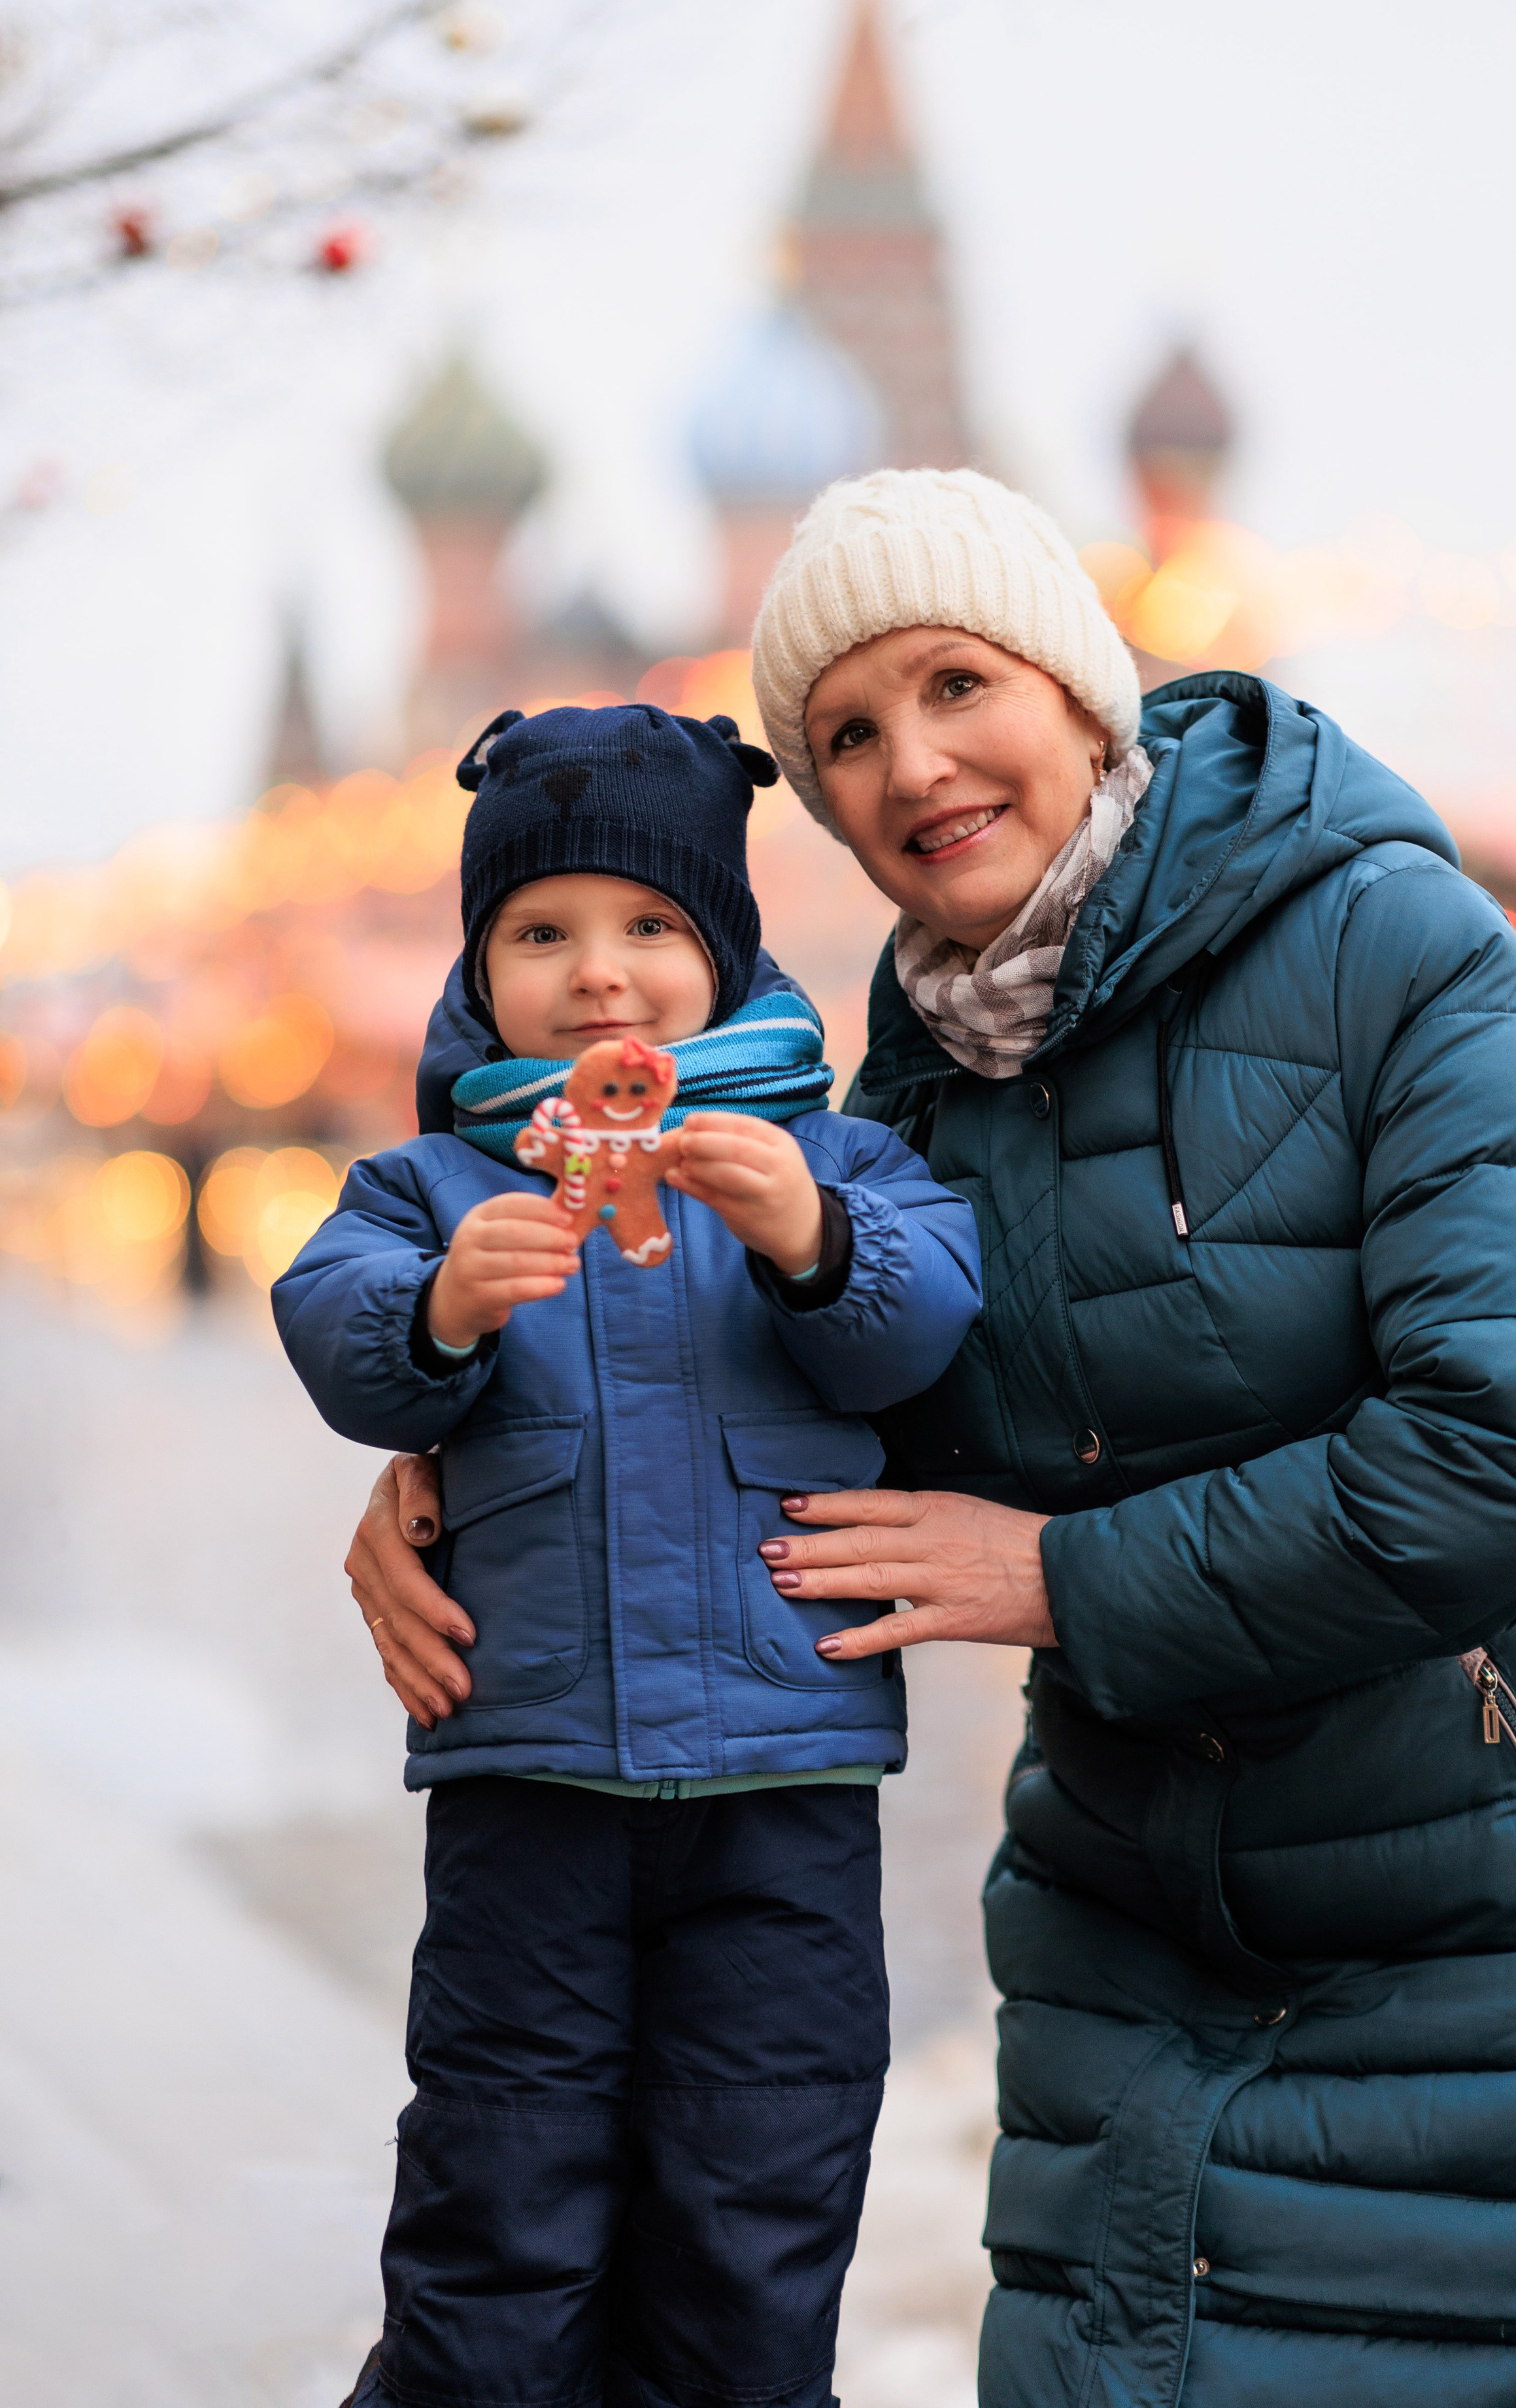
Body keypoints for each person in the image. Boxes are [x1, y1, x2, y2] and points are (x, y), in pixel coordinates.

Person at [347, 469, 1516, 2407]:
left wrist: (1058, 1575)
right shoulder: (902, 1094)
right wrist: (444, 1476)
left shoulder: (1385, 935)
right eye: (848, 738)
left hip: (1488, 1908)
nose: (916, 767)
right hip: (1124, 1922)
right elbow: (797, 1411)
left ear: (1078, 687)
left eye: (959, 684)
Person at [275, 701, 981, 2408]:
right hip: (532, 1790)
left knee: (757, 2196)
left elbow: (927, 1326)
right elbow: (336, 1331)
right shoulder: (436, 1183)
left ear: (726, 957)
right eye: (541, 933)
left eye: (652, 927)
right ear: (481, 969)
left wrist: (813, 1244)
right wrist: (441, 1304)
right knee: (498, 2193)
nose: (599, 976)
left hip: (782, 1796)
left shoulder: (830, 1160)